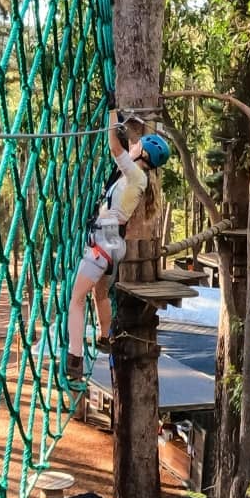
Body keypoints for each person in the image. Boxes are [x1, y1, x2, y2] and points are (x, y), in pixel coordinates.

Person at [64, 109, 171, 384]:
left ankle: (74, 360)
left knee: (75, 301)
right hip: (112, 246)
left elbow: (114, 146)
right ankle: (104, 337)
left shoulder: (136, 176)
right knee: (99, 294)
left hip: (102, 245)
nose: (132, 146)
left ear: (143, 154)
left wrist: (112, 113)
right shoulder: (135, 178)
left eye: (137, 145)